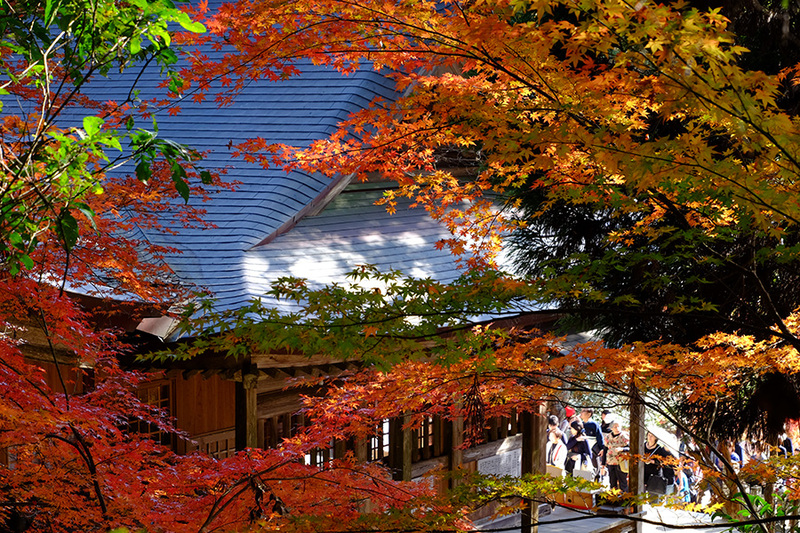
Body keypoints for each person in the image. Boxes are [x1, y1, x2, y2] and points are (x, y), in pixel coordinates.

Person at [605, 419, 629, 492]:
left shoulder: (624, 436)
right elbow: (605, 448)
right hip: (610, 461)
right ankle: (614, 498)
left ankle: (624, 498)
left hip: (621, 462)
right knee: (612, 482)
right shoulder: (608, 437)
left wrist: (622, 449)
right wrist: (603, 463)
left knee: (623, 482)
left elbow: (630, 448)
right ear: (611, 428)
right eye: (615, 427)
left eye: (618, 426)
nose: (617, 429)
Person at [580, 408, 604, 480]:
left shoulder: (594, 424)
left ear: (589, 414)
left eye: (583, 411)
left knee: (595, 467)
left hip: (593, 449)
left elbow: (600, 437)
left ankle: (597, 483)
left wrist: (602, 448)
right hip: (583, 450)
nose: (581, 412)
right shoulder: (581, 424)